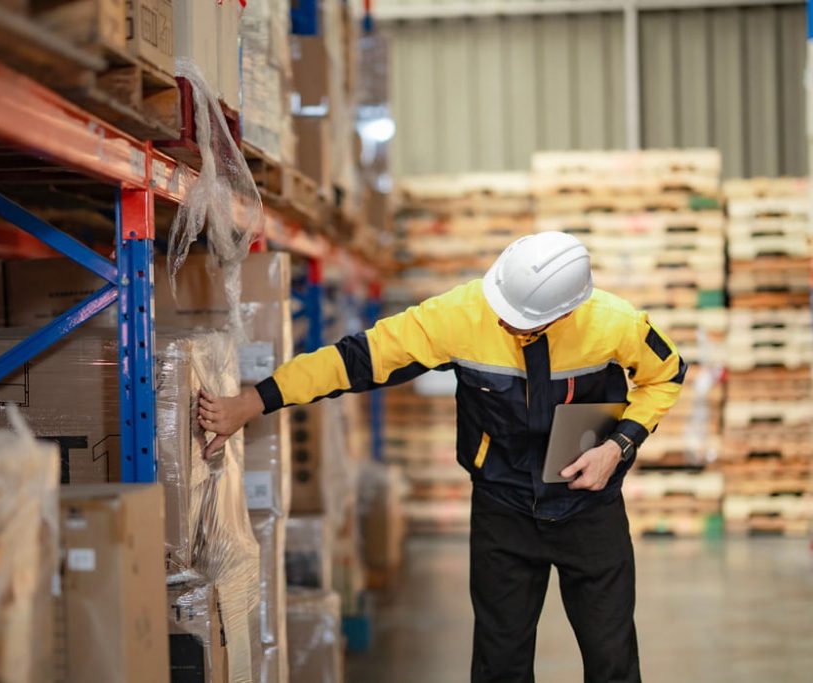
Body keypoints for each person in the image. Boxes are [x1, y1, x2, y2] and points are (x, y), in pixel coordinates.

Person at [199, 231, 686, 683]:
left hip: (590, 509)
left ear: (565, 313)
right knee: (500, 664)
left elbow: (665, 375)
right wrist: (253, 401)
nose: (501, 321)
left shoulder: (616, 324)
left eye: (517, 319)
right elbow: (354, 360)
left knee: (612, 660)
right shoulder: (460, 314)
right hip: (503, 509)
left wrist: (617, 446)